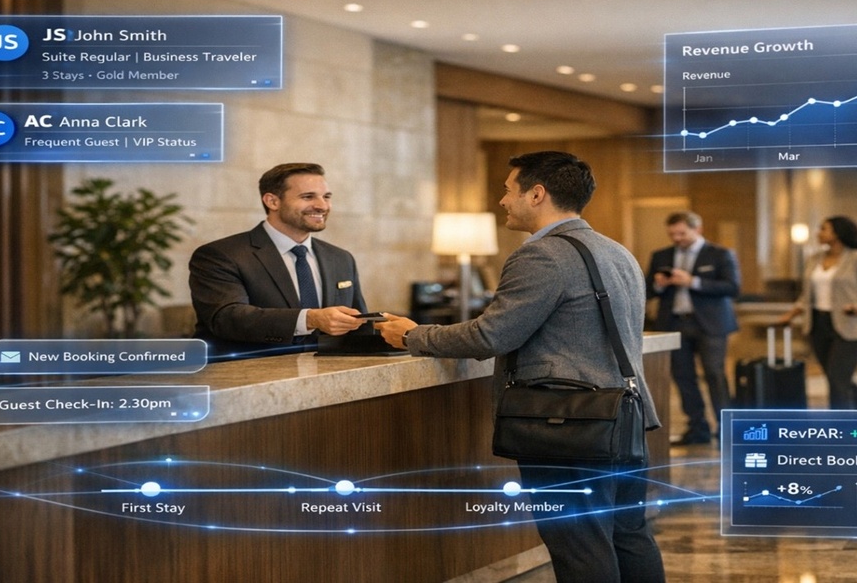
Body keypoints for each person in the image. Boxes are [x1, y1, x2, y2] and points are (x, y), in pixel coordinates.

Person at [374, 151, 665, 583]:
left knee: (580, 544)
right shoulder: (615, 250)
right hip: (624, 417)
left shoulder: (542, 255)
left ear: (537, 193)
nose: (503, 200)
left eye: (509, 190)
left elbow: (490, 336)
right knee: (629, 535)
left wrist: (413, 335)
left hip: (568, 424)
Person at [188, 163, 367, 358]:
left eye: (326, 197)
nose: (322, 206)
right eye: (308, 197)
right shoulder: (220, 255)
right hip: (250, 372)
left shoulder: (341, 258)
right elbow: (227, 318)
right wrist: (310, 319)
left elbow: (358, 327)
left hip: (331, 373)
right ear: (272, 201)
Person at [646, 211, 739, 446]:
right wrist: (658, 285)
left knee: (715, 375)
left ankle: (727, 428)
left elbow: (732, 287)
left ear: (697, 229)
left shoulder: (720, 254)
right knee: (683, 378)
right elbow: (647, 290)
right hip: (675, 323)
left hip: (710, 324)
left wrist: (692, 282)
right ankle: (697, 429)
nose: (677, 238)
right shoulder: (661, 255)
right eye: (672, 234)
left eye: (682, 233)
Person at [777, 216, 857, 409]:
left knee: (838, 378)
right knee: (837, 378)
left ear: (838, 233)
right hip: (819, 324)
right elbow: (806, 296)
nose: (818, 233)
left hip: (852, 324)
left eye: (824, 229)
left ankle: (840, 425)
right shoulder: (814, 259)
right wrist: (791, 315)